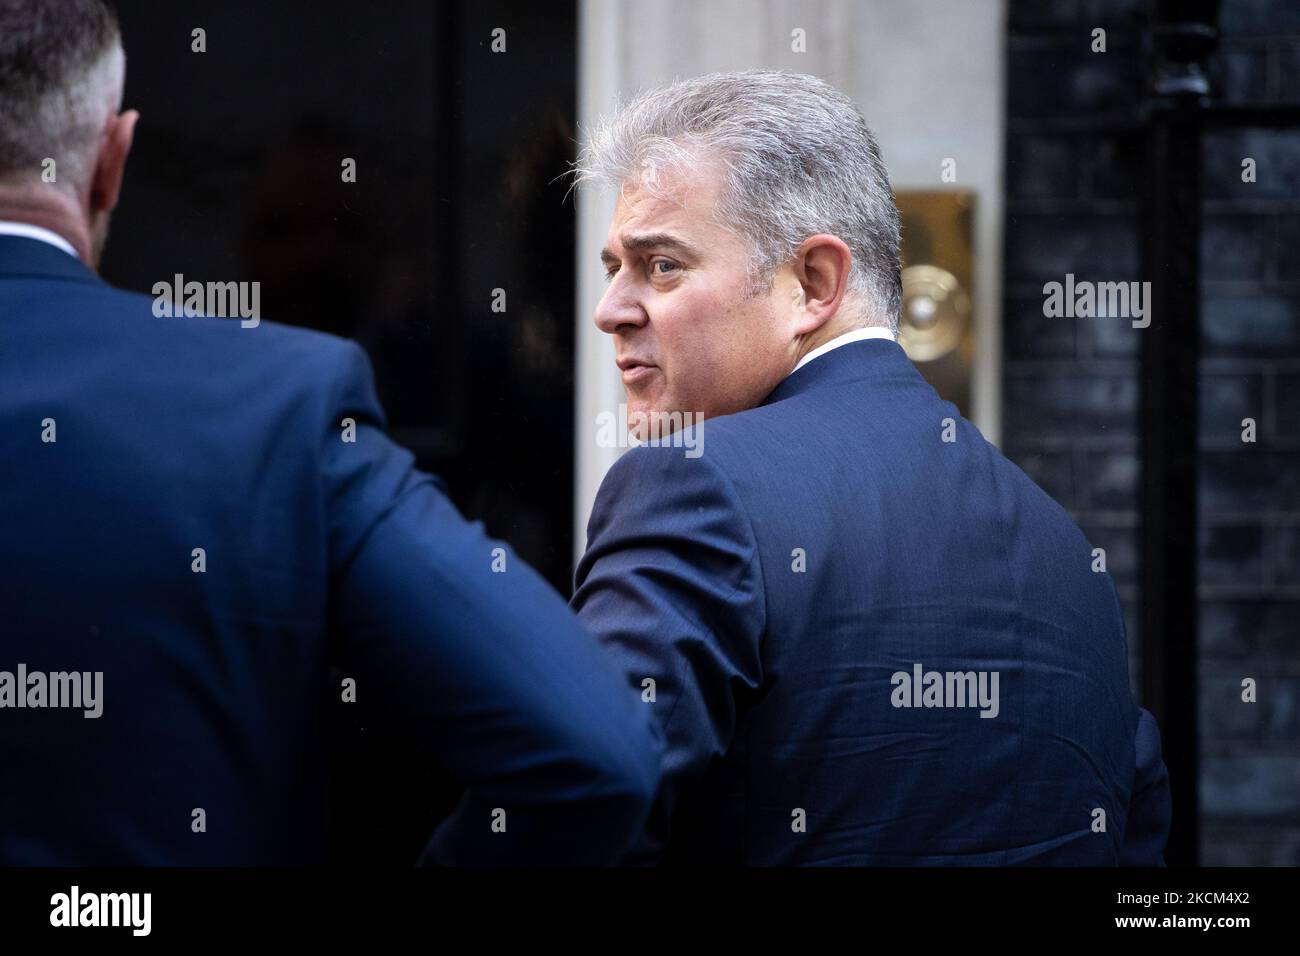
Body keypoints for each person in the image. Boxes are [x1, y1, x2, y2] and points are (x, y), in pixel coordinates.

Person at [0, 0, 662, 865]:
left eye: (326, 231)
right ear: (112, 161)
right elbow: (594, 750)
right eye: (281, 230)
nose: (306, 261)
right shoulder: (279, 405)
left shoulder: (441, 383)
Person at [571, 70, 1171, 865]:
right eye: (614, 266)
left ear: (813, 283)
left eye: (661, 265)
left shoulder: (692, 485)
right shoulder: (1068, 555)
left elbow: (579, 805)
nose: (610, 308)